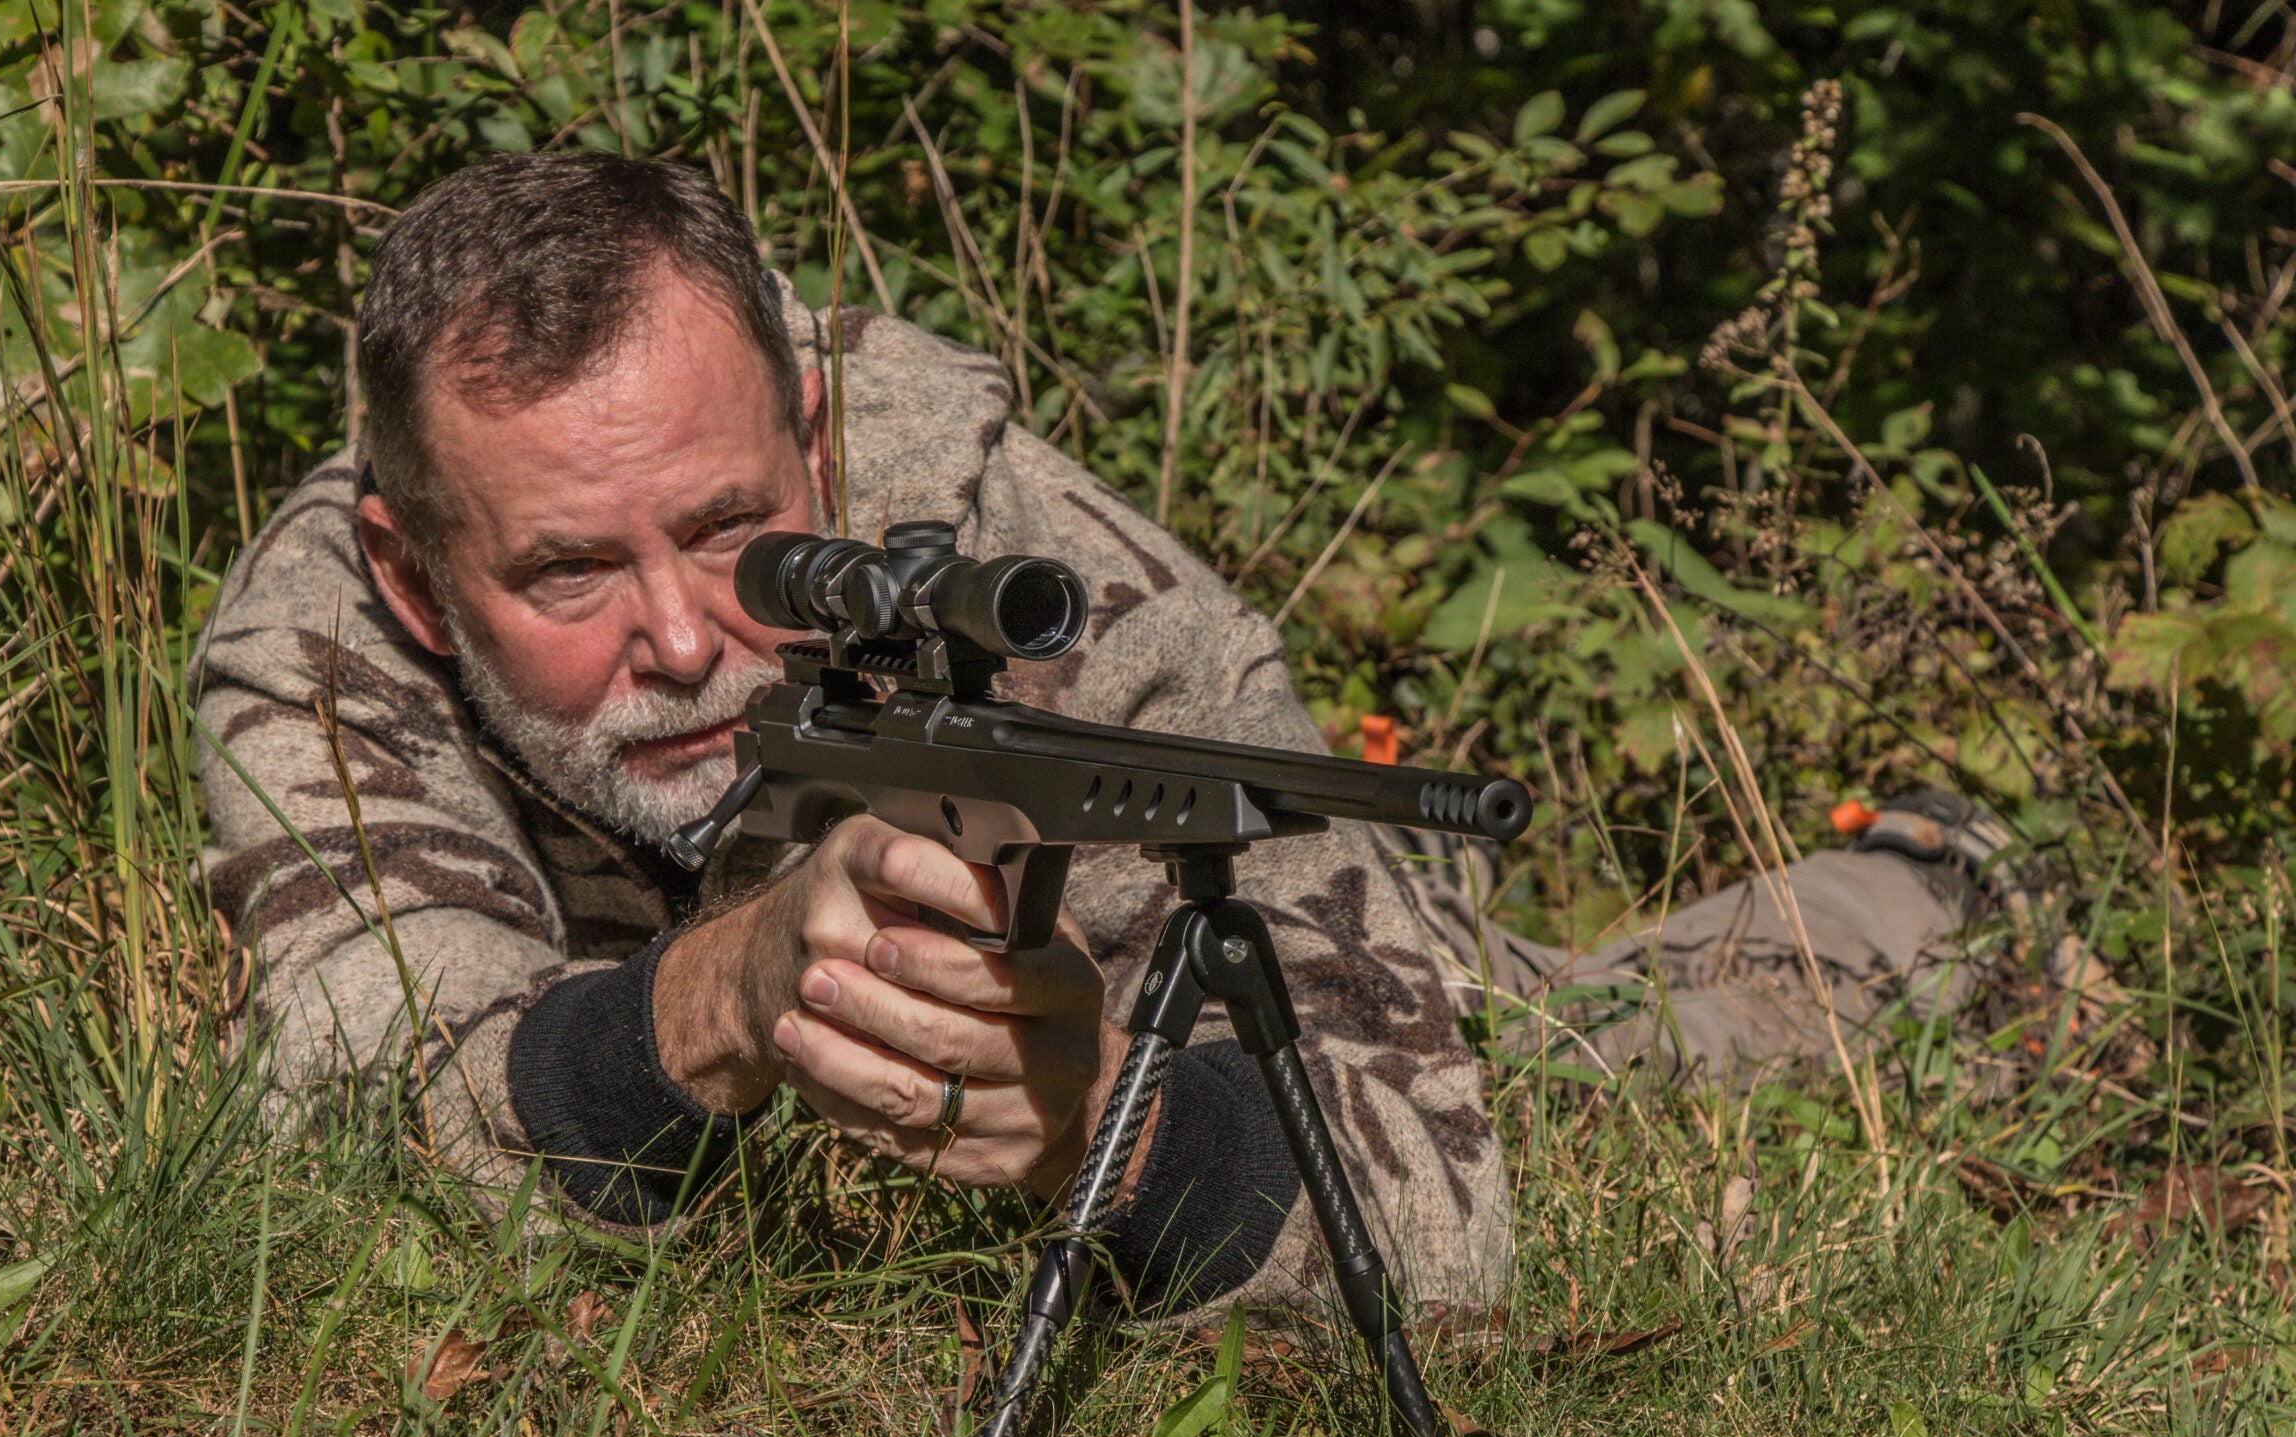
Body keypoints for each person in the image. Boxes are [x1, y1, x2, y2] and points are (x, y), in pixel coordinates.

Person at [194, 152, 1998, 1324]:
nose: (678, 640)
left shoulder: (1058, 587)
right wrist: (723, 996)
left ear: (816, 438)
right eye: (568, 572)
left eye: (740, 532)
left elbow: (1444, 1218)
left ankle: (1929, 891)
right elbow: (340, 1134)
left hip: (1284, 968)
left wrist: (1102, 1133)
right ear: (415, 565)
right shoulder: (322, 637)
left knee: (1609, 1039)